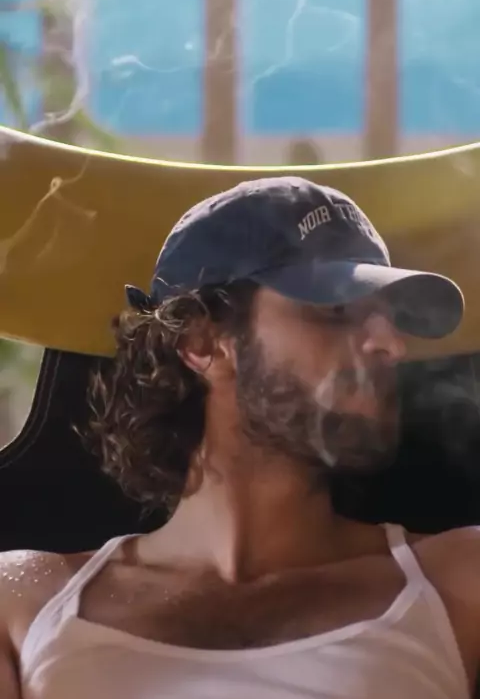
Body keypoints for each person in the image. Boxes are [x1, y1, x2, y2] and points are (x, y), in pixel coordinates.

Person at [0, 176, 477, 699]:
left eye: (389, 319)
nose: (392, 345)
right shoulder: (22, 601)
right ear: (203, 342)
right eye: (336, 311)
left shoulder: (458, 580)